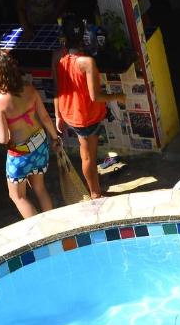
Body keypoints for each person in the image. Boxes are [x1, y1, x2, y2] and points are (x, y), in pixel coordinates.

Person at [0, 50, 61, 219]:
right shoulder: (29, 89)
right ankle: (54, 227)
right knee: (40, 188)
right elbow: (46, 118)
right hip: (40, 145)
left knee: (17, 196)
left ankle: (41, 234)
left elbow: (3, 138)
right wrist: (55, 138)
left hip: (20, 154)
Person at [54, 14, 127, 199]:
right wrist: (118, 96)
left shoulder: (56, 56)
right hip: (85, 116)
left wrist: (58, 116)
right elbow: (96, 96)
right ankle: (95, 193)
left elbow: (56, 88)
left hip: (68, 112)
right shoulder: (87, 62)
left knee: (87, 153)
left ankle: (94, 185)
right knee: (88, 156)